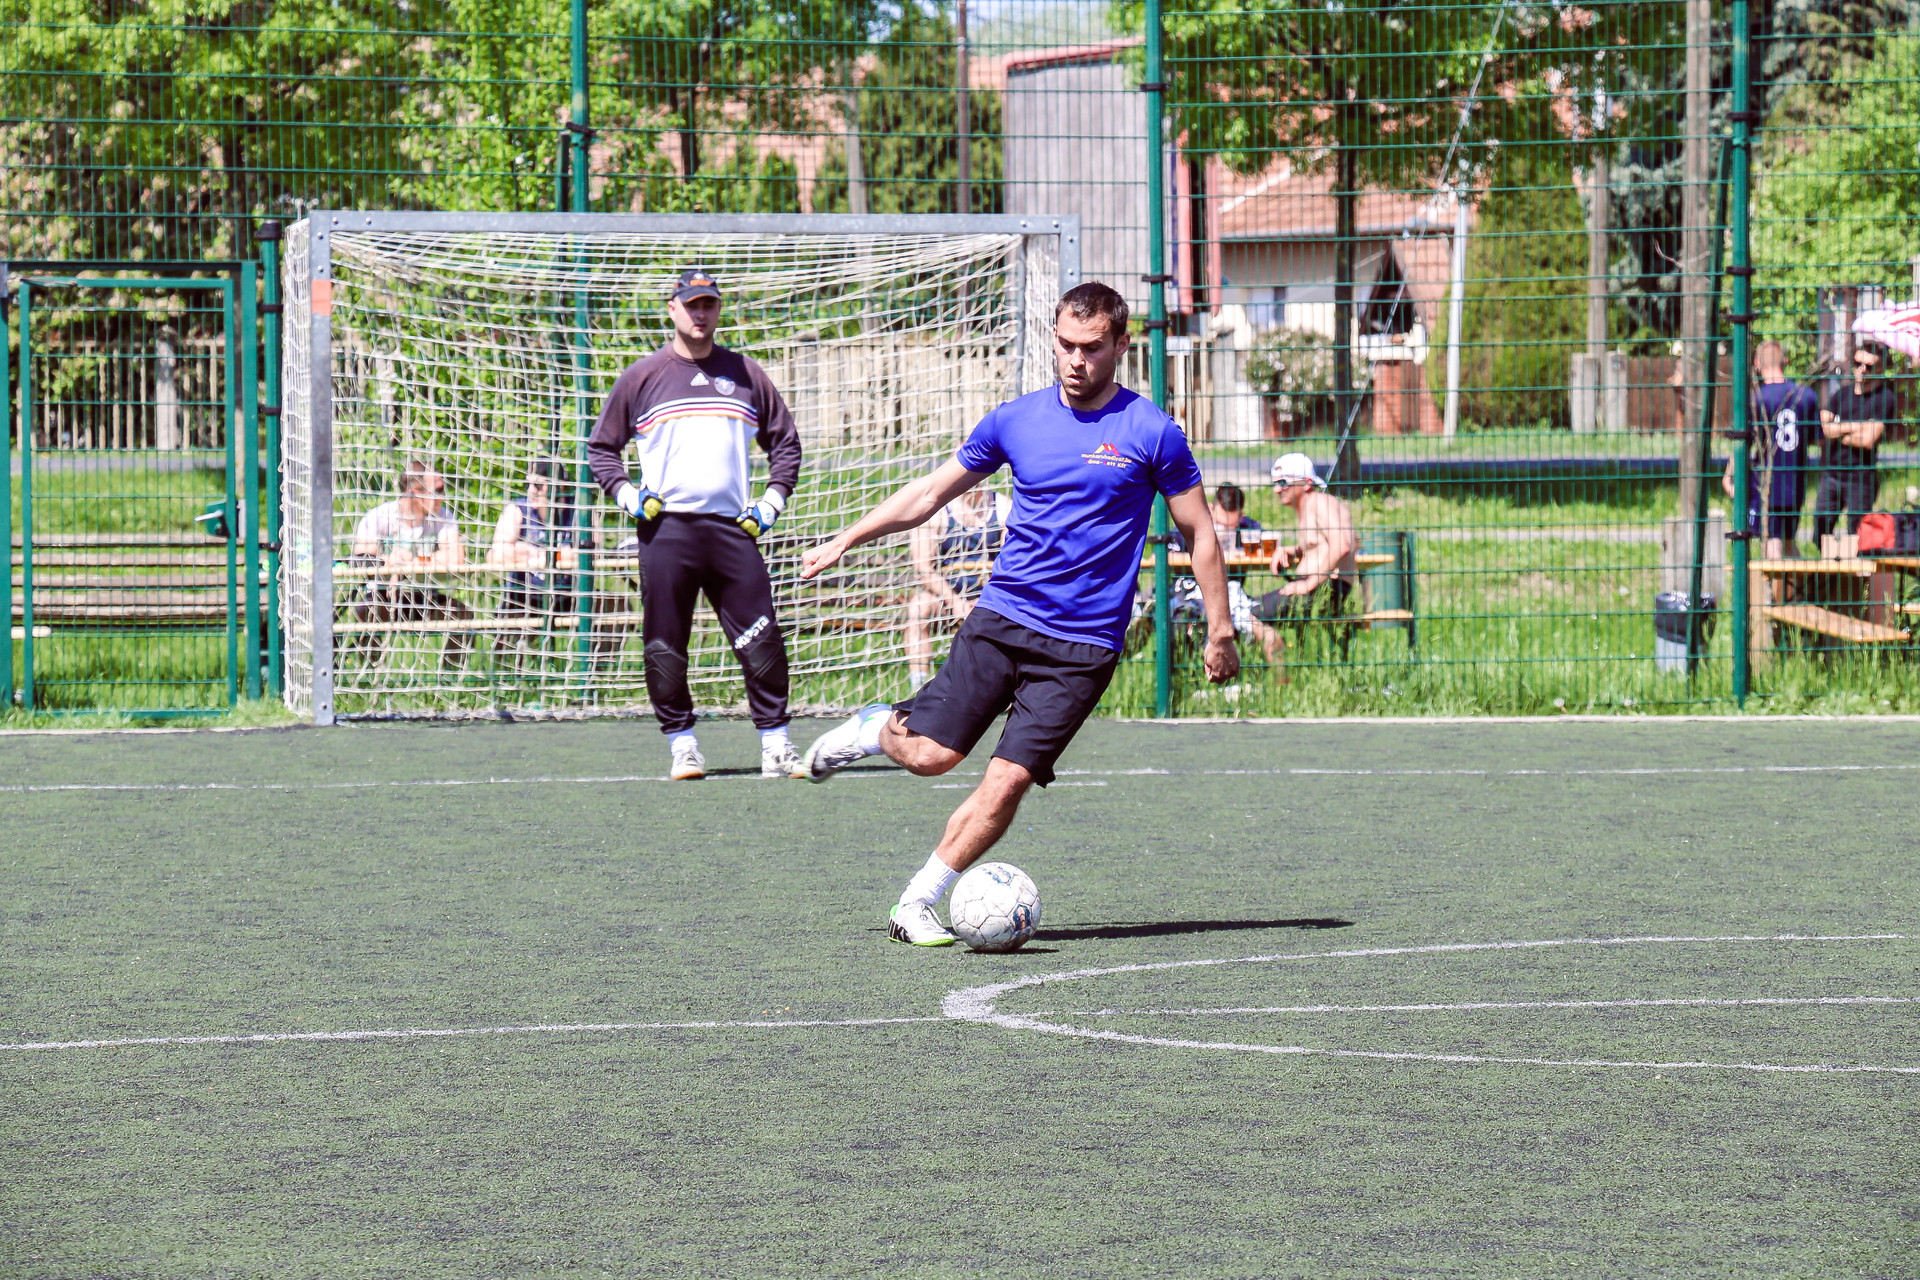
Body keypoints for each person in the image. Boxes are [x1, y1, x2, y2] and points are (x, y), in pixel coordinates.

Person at [795, 281, 1240, 947]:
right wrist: (846, 538)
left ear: (1122, 344)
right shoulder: (1014, 420)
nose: (1076, 360)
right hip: (1002, 622)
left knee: (1007, 783)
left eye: (1092, 347)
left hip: (1083, 649)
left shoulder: (1153, 432)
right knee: (931, 758)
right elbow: (929, 492)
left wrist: (1220, 628)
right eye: (1066, 345)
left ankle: (916, 903)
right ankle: (870, 729)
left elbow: (1199, 533)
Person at [588, 268, 805, 781]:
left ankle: (776, 744)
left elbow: (785, 444)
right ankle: (682, 746)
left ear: (718, 309)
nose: (700, 313)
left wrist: (771, 503)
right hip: (667, 533)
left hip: (733, 530)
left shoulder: (747, 373)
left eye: (708, 304)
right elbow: (602, 449)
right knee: (665, 646)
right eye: (691, 305)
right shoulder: (642, 376)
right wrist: (628, 496)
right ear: (673, 309)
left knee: (762, 639)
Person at [347, 459, 475, 670]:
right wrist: (390, 562)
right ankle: (369, 676)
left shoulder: (443, 517)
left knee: (462, 615)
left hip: (426, 596)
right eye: (438, 491)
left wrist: (413, 563)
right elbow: (361, 559)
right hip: (384, 596)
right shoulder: (380, 516)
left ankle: (450, 678)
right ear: (415, 493)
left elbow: (456, 558)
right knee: (366, 610)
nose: (443, 497)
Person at [1241, 453, 1358, 668]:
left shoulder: (1321, 503)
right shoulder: (1311, 507)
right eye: (1275, 483)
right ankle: (1288, 672)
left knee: (1249, 612)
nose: (1277, 490)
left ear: (1306, 483)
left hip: (1325, 588)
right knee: (1249, 609)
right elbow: (1320, 546)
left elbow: (1342, 544)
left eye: (1283, 483)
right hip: (1320, 586)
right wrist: (1291, 551)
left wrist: (1308, 583)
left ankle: (1280, 675)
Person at [904, 485, 1011, 692]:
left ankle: (1002, 682)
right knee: (919, 608)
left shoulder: (1003, 508)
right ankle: (918, 685)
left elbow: (1012, 562)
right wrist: (956, 603)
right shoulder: (937, 512)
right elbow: (923, 568)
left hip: (992, 594)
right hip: (947, 596)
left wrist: (987, 598)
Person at [1721, 340, 1818, 560]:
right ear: (1786, 361)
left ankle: (1775, 583)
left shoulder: (1756, 399)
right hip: (1796, 482)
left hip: (1766, 483)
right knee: (1789, 541)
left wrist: (1728, 476)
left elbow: (1743, 442)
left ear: (1757, 363)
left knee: (1771, 541)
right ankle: (1796, 582)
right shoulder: (1806, 395)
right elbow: (1816, 438)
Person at [486, 457, 578, 674]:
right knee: (507, 624)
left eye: (538, 485)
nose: (531, 491)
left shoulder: (578, 510)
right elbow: (494, 555)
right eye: (528, 484)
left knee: (615, 608)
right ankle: (504, 680)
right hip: (524, 596)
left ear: (559, 486)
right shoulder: (517, 510)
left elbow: (588, 554)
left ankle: (597, 676)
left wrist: (533, 553)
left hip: (568, 596)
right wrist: (539, 553)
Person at [1813, 339, 1895, 543]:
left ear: (1880, 368)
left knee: (1858, 534)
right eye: (1858, 363)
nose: (1862, 369)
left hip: (1861, 476)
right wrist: (1858, 425)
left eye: (1869, 366)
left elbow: (1868, 440)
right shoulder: (1841, 395)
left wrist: (1839, 429)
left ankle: (1856, 564)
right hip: (1831, 472)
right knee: (1820, 531)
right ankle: (1829, 562)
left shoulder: (1885, 398)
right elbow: (1825, 430)